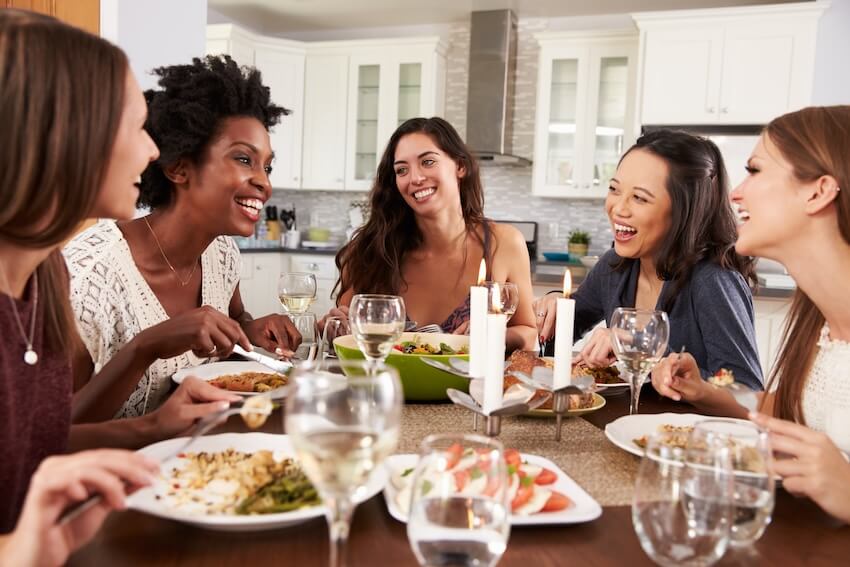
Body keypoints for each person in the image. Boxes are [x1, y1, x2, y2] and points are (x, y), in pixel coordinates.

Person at [0, 8, 238, 542]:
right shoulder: (79, 269)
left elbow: (35, 446)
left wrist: (153, 427)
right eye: (136, 128)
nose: (152, 151)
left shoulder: (46, 276)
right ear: (66, 136)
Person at [64, 55, 301, 421]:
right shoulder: (89, 276)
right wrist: (145, 348)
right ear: (179, 168)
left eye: (267, 166)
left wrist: (250, 331)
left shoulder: (220, 252)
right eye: (243, 160)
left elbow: (234, 317)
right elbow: (49, 437)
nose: (265, 183)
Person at [651, 106, 850, 523]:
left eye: (755, 171)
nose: (736, 192)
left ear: (818, 192)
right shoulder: (818, 317)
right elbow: (800, 411)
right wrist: (706, 391)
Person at [534, 130, 763, 390]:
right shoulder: (615, 267)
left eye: (640, 198)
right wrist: (554, 306)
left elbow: (746, 391)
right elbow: (566, 326)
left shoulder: (713, 281)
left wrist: (640, 351)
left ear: (684, 210)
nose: (618, 208)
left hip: (685, 429)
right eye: (614, 189)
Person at [332, 117, 536, 352]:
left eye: (428, 162)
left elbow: (529, 334)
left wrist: (500, 335)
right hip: (388, 388)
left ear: (460, 166)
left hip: (473, 388)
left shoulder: (504, 244)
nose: (415, 178)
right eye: (402, 170)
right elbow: (344, 336)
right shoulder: (371, 251)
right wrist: (334, 325)